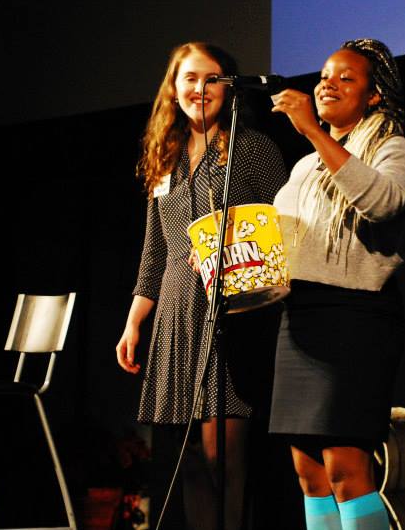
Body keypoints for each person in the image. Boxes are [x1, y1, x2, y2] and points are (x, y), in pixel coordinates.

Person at [116, 42, 287, 530]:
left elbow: (283, 227)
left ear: (228, 88)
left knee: (223, 460)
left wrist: (229, 241)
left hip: (231, 319)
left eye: (211, 79)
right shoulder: (164, 156)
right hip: (175, 316)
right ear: (174, 87)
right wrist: (133, 324)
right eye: (190, 78)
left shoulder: (251, 149)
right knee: (188, 462)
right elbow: (155, 252)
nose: (200, 89)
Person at [268, 39, 405, 530]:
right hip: (302, 320)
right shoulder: (305, 165)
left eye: (345, 77)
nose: (328, 83)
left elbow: (384, 202)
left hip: (356, 318)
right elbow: (282, 239)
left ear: (374, 95)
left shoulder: (390, 147)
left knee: (345, 468)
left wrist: (311, 130)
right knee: (308, 472)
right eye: (324, 75)